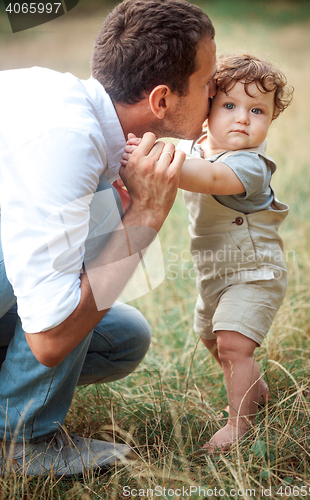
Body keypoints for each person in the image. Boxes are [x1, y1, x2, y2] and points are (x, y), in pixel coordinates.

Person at [0, 0, 216, 476]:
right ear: (161, 100)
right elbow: (51, 339)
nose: (216, 94)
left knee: (123, 337)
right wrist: (148, 213)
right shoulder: (68, 140)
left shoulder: (87, 120)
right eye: (208, 83)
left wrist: (122, 207)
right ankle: (22, 443)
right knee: (70, 304)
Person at [123, 54, 293, 451]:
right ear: (206, 112)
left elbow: (209, 178)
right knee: (213, 339)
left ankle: (238, 426)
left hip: (255, 273)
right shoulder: (197, 147)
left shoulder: (251, 165)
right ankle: (254, 388)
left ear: (270, 120)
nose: (242, 118)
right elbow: (190, 159)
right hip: (215, 276)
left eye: (257, 110)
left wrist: (154, 162)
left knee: (234, 343)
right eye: (229, 106)